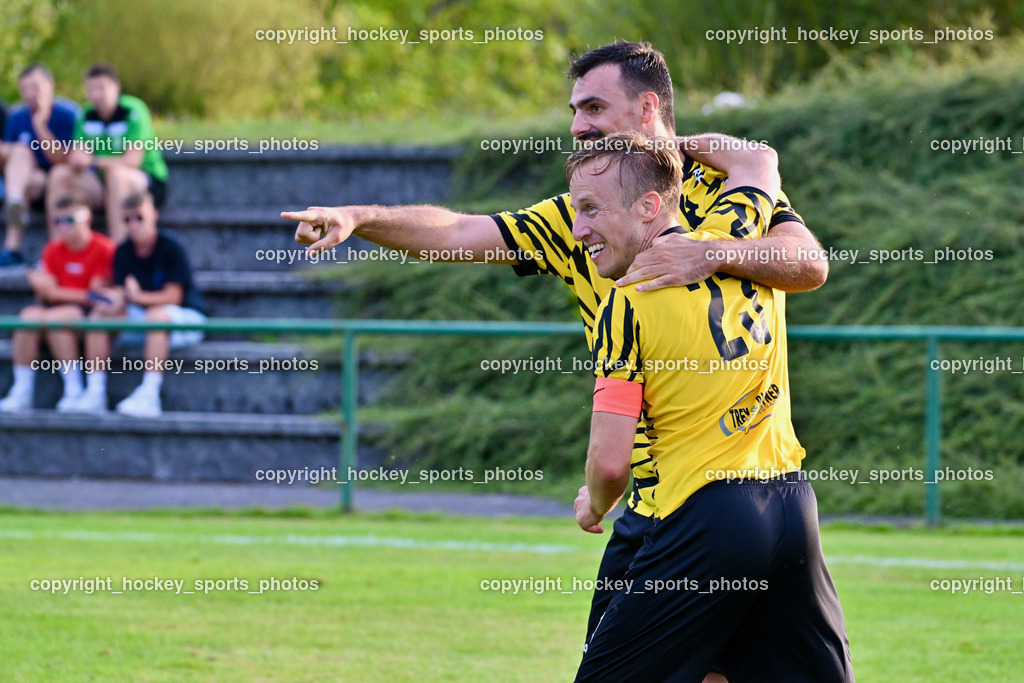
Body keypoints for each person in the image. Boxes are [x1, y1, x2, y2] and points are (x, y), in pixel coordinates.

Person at [282, 40, 829, 656]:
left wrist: (714, 250)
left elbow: (808, 264)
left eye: (594, 107)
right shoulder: (585, 214)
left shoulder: (723, 194)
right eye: (573, 110)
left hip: (712, 497)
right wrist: (359, 217)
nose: (577, 124)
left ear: (647, 108)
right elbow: (462, 233)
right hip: (661, 505)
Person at [568, 131, 853, 681]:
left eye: (591, 210)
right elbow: (758, 159)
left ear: (650, 206)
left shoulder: (626, 303)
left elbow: (610, 462)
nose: (579, 229)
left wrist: (595, 506)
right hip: (793, 509)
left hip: (705, 519)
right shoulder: (741, 243)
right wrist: (661, 149)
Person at [64, 191, 207, 417]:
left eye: (139, 218)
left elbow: (173, 298)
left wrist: (136, 297)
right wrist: (110, 300)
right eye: (127, 219)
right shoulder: (123, 251)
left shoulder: (171, 247)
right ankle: (95, 392)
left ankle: (150, 395)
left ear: (154, 215)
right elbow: (122, 293)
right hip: (147, 319)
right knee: (98, 318)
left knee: (157, 316)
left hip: (186, 319)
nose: (133, 225)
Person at [0, 193, 115, 411]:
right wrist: (55, 293)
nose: (63, 227)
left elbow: (95, 296)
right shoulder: (52, 249)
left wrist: (55, 292)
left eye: (69, 220)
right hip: (58, 313)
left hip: (84, 315)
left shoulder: (104, 248)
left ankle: (75, 391)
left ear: (87, 218)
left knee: (57, 319)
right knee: (27, 318)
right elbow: (47, 294)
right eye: (58, 221)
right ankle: (22, 390)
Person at [47, 63, 168, 245]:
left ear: (116, 87)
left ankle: (117, 251)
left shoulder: (133, 110)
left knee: (116, 175)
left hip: (144, 182)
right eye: (91, 89)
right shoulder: (86, 114)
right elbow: (79, 154)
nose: (96, 95)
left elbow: (132, 161)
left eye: (101, 88)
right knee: (60, 174)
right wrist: (76, 160)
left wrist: (92, 160)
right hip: (103, 185)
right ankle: (54, 252)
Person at [0, 63, 80, 266]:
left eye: (35, 87)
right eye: (25, 88)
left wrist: (40, 125)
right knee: (19, 153)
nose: (30, 94)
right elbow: (9, 159)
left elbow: (64, 161)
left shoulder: (69, 114)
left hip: (62, 180)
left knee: (57, 174)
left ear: (50, 85)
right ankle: (12, 243)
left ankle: (54, 253)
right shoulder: (17, 116)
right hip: (31, 180)